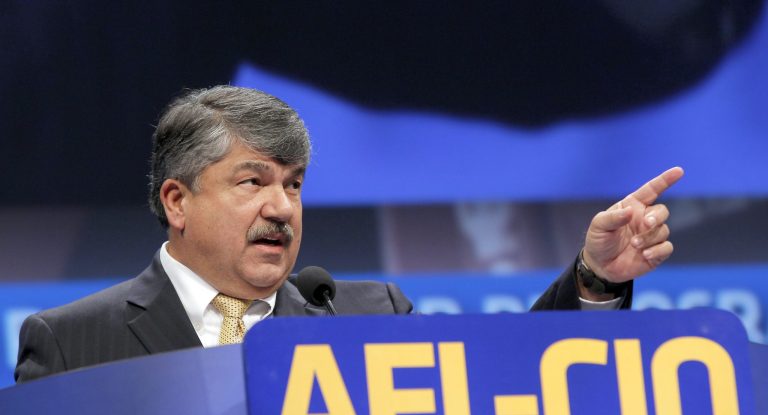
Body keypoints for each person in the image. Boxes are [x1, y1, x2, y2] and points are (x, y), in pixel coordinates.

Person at [14, 85, 683, 383]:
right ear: (176, 201)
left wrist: (596, 280)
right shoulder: (73, 343)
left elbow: (504, 389)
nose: (282, 207)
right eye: (253, 183)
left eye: (295, 184)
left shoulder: (366, 317)